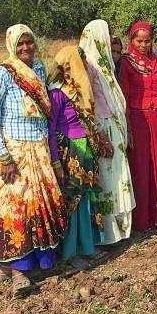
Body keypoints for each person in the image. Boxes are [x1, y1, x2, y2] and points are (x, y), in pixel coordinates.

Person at [0, 24, 67, 293]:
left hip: (39, 150)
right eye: (20, 44)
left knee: (41, 206)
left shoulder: (40, 70)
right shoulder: (3, 74)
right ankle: (18, 271)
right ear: (11, 46)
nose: (25, 48)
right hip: (14, 154)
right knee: (15, 208)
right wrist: (4, 157)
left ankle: (41, 262)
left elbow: (45, 115)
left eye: (29, 43)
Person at [46, 46, 107, 264]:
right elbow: (51, 129)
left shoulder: (78, 90)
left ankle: (87, 246)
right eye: (79, 63)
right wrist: (56, 162)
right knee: (73, 202)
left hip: (84, 149)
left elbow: (89, 119)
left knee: (87, 201)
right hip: (70, 151)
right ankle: (71, 253)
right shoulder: (56, 93)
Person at [79, 20, 136, 244]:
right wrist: (101, 134)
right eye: (106, 34)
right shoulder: (89, 65)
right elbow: (88, 104)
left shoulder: (104, 65)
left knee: (117, 178)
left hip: (113, 126)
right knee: (107, 180)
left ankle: (120, 232)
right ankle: (107, 235)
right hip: (102, 129)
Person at [119, 21, 157, 232]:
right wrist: (128, 127)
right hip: (138, 119)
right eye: (139, 41)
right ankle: (142, 220)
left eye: (147, 41)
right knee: (141, 167)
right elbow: (123, 95)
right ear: (132, 41)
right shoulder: (126, 63)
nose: (143, 45)